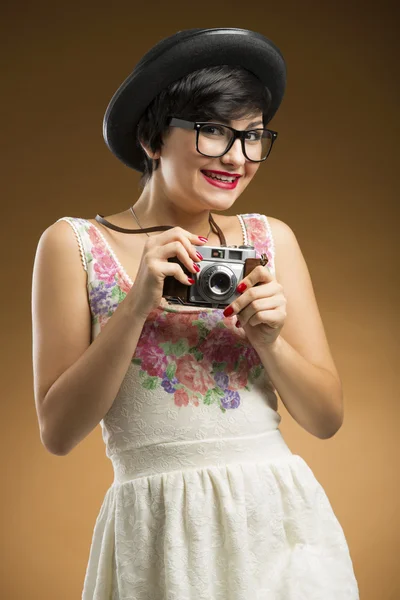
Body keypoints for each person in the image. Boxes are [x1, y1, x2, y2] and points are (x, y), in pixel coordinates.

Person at [32, 28, 360, 599]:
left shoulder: (270, 240)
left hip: (275, 515)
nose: (237, 157)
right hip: (155, 527)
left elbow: (326, 418)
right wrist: (135, 306)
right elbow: (58, 433)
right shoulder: (73, 245)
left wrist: (269, 341)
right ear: (153, 139)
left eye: (253, 137)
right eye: (213, 132)